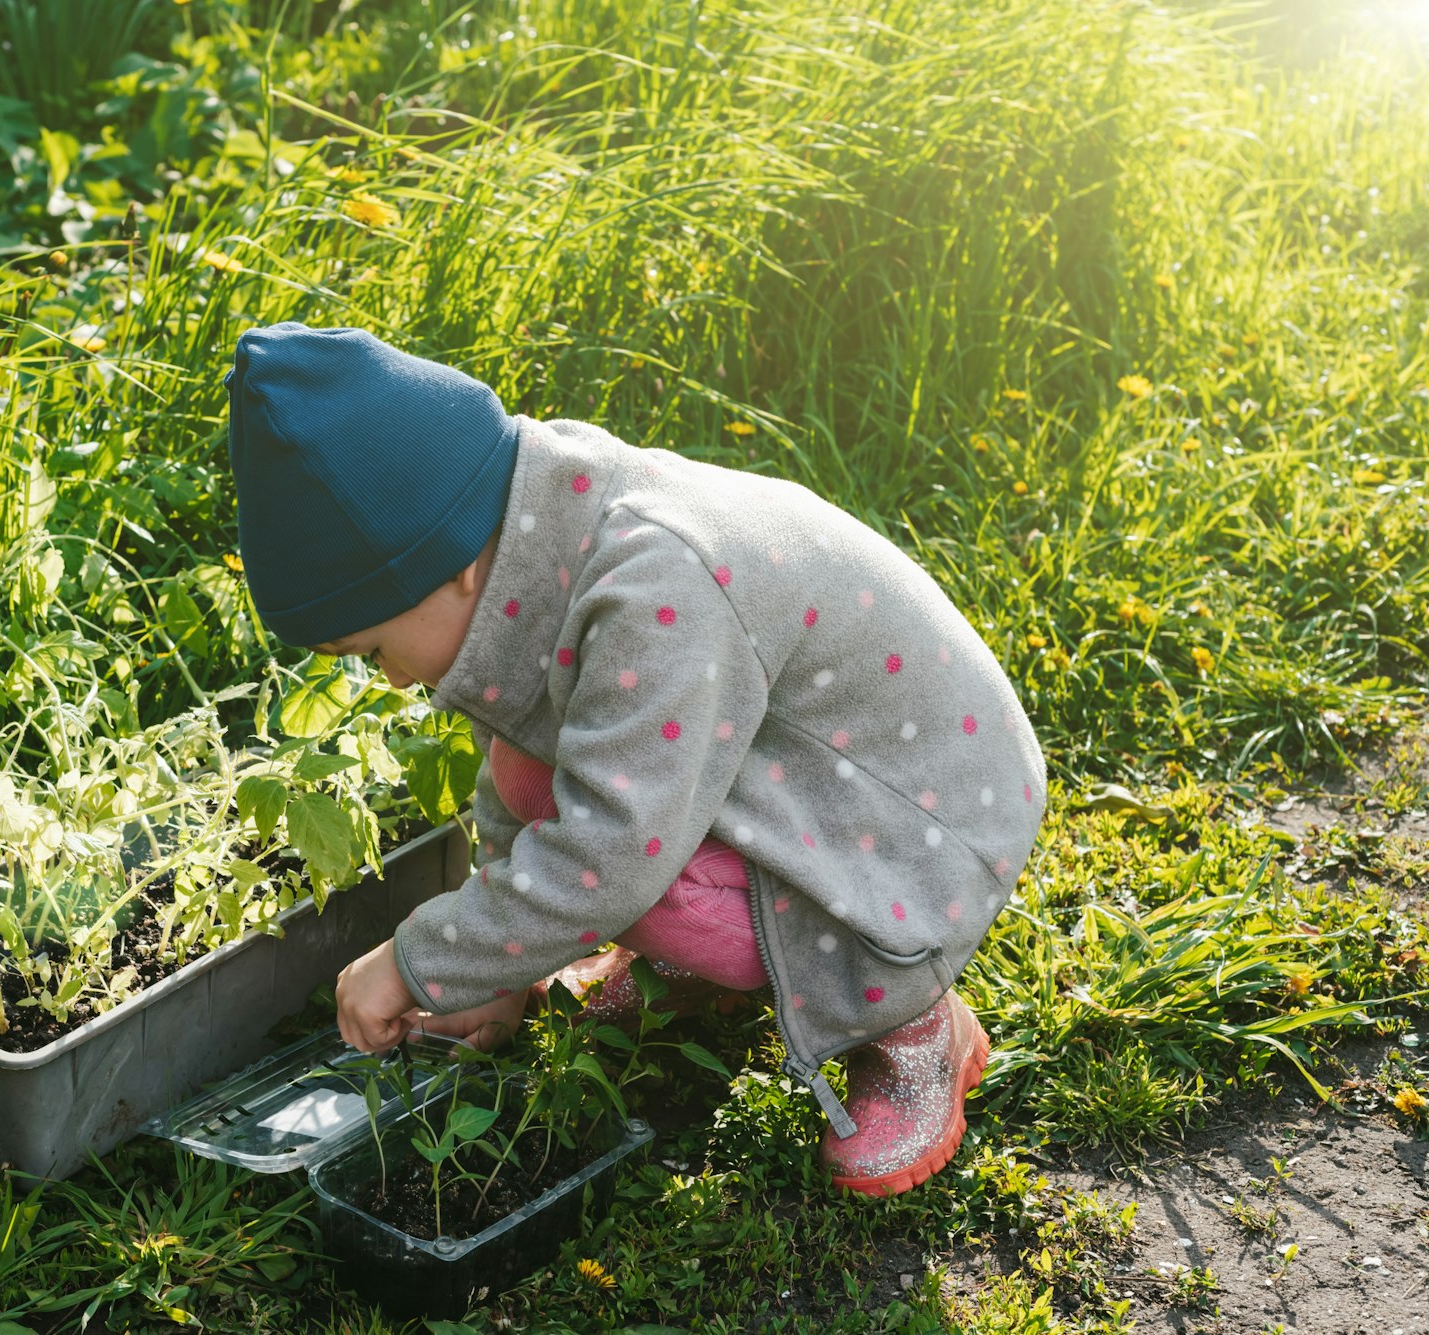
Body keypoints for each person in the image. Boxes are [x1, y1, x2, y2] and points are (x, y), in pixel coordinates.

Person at [223, 322, 1047, 1197]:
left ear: (449, 569)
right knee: (534, 777)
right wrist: (509, 966)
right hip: (807, 773)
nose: (386, 676)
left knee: (639, 874)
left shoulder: (654, 582)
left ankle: (911, 1018)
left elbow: (608, 855)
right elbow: (526, 768)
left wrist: (418, 960)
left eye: (370, 647)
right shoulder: (538, 528)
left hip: (919, 823)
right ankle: (701, 970)